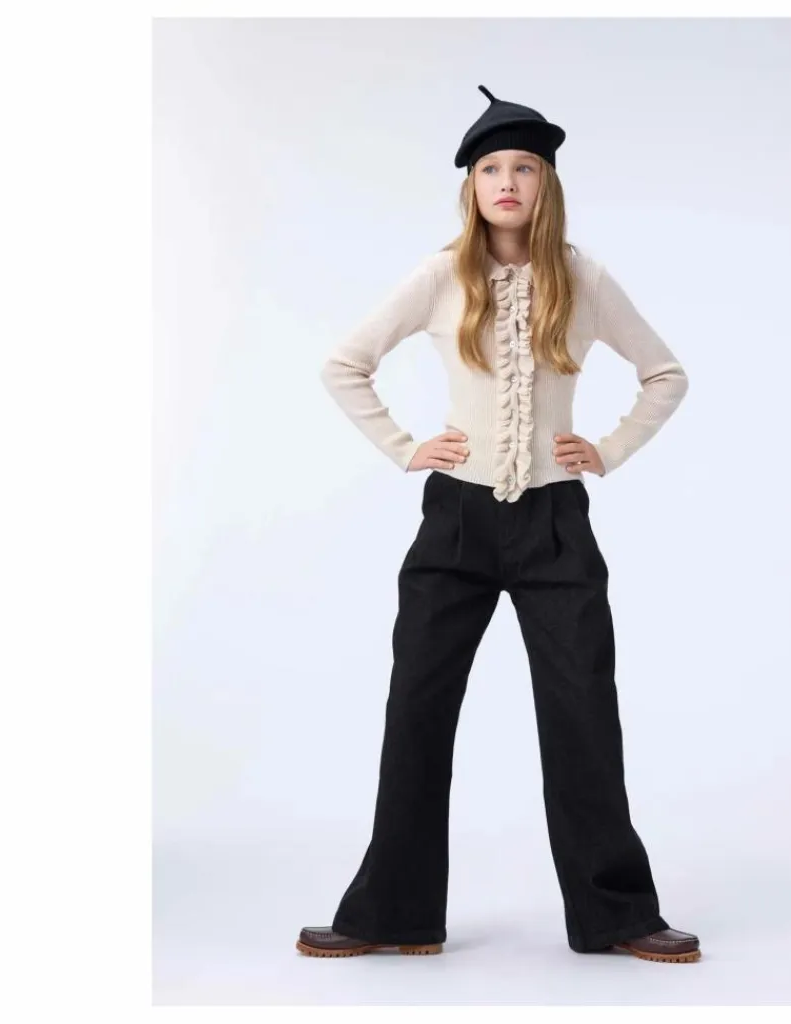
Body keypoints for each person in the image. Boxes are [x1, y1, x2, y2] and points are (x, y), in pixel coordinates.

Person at [296, 85, 700, 964]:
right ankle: (392, 912)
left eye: (523, 167)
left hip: (556, 523)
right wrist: (405, 447)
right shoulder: (441, 276)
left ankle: (618, 914)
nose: (506, 182)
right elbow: (345, 363)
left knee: (583, 711)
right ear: (471, 186)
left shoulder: (583, 280)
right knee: (417, 709)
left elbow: (664, 374)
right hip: (456, 523)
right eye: (490, 169)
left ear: (546, 183)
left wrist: (607, 450)